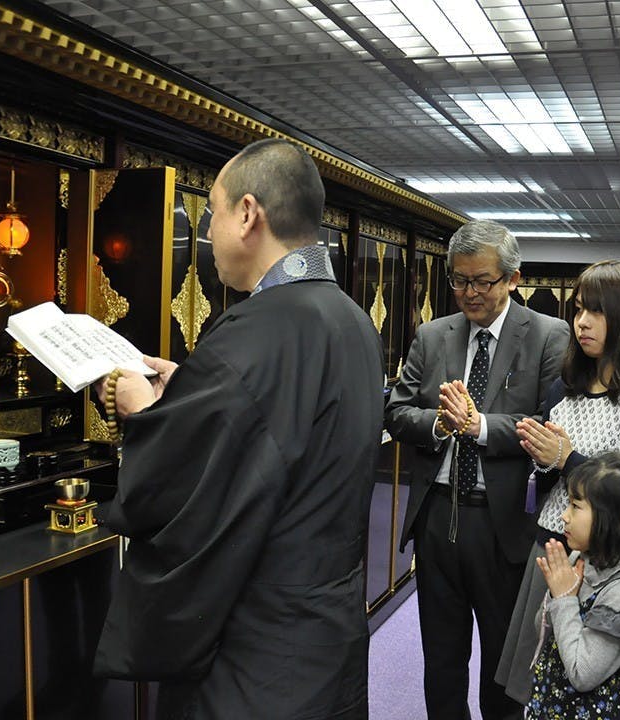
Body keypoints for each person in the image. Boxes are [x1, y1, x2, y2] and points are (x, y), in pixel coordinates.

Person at [91, 138, 384, 720]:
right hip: (328, 625)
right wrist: (193, 395)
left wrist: (143, 413)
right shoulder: (351, 319)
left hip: (259, 645)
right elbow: (282, 432)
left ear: (248, 214)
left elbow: (182, 493)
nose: (209, 232)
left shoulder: (257, 330)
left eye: (212, 214)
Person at [385, 220, 571, 720]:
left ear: (513, 278)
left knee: (501, 663)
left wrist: (479, 425)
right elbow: (397, 412)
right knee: (442, 658)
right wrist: (441, 424)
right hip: (437, 517)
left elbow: (551, 423)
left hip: (503, 523)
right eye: (459, 280)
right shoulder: (432, 335)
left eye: (482, 281)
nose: (469, 293)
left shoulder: (548, 336)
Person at [495, 260, 620, 704]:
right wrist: (543, 460)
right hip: (551, 550)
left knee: (591, 690)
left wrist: (567, 459)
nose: (582, 322)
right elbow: (549, 483)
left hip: (607, 567)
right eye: (578, 309)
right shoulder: (564, 387)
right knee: (536, 690)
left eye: (597, 311)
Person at [525, 452, 620, 720]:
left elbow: (582, 673)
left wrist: (564, 598)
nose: (564, 516)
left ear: (613, 520)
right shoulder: (581, 557)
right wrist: (558, 592)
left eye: (576, 506)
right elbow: (544, 628)